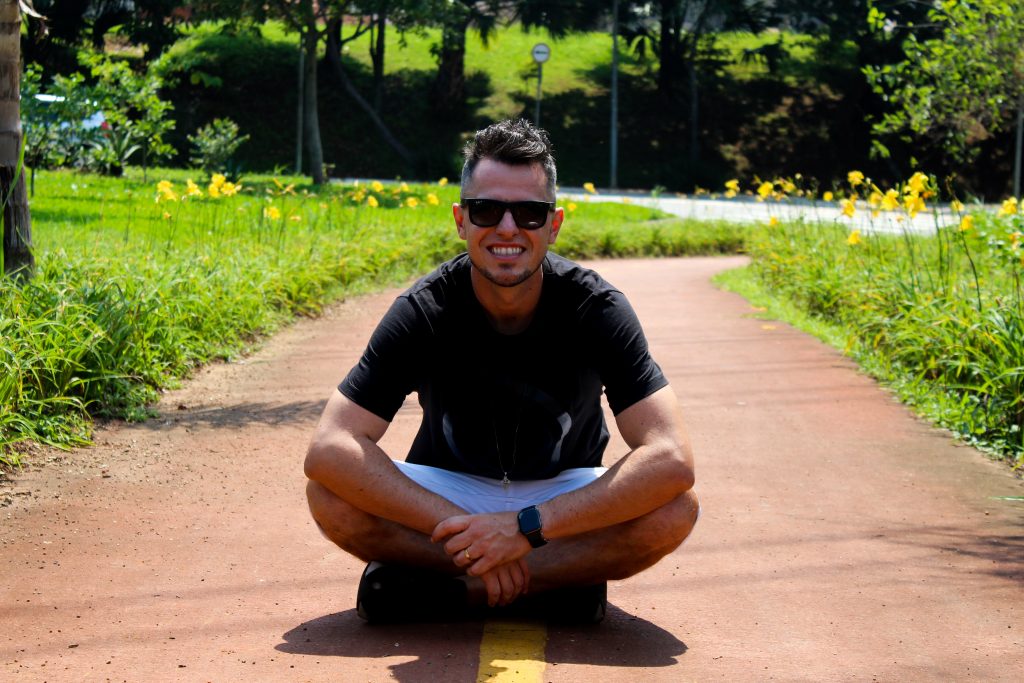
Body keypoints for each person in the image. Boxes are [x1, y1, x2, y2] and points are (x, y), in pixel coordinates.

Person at [304, 118, 698, 624]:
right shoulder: (425, 309)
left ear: (553, 225)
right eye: (486, 209)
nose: (507, 228)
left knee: (674, 510)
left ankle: (457, 587)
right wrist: (469, 527)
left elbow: (671, 458)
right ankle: (550, 582)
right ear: (460, 220)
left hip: (560, 492)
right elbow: (330, 447)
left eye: (529, 213)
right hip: (452, 492)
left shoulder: (596, 308)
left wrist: (523, 528)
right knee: (329, 497)